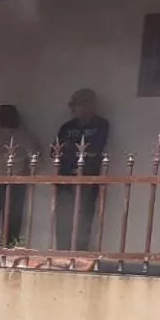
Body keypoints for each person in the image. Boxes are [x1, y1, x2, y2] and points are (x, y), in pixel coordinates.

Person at [53, 88, 110, 251]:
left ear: (90, 105)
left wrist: (71, 150)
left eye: (76, 104)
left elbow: (95, 149)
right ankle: (62, 255)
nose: (73, 109)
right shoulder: (67, 127)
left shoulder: (101, 124)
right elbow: (55, 150)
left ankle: (79, 257)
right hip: (65, 179)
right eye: (72, 105)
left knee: (83, 218)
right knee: (63, 219)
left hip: (88, 178)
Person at [0, 104, 38, 247]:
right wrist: (26, 172)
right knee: (13, 218)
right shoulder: (24, 137)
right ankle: (9, 249)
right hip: (16, 181)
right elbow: (34, 158)